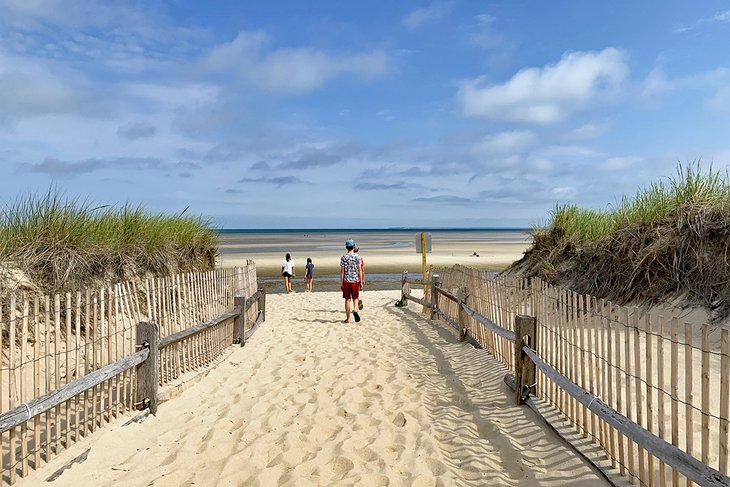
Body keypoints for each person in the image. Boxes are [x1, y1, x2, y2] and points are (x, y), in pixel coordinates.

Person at [340, 239, 363, 323]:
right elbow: (360, 270)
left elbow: (342, 271)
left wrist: (341, 282)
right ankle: (355, 310)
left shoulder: (343, 257)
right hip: (355, 280)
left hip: (346, 281)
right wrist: (361, 281)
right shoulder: (358, 257)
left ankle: (348, 319)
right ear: (353, 246)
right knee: (355, 298)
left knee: (347, 299)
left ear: (346, 247)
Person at [353, 246, 364, 310]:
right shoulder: (360, 258)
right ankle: (358, 302)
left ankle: (356, 307)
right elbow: (362, 270)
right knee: (357, 292)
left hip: (352, 277)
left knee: (353, 294)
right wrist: (362, 279)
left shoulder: (348, 257)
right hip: (358, 277)